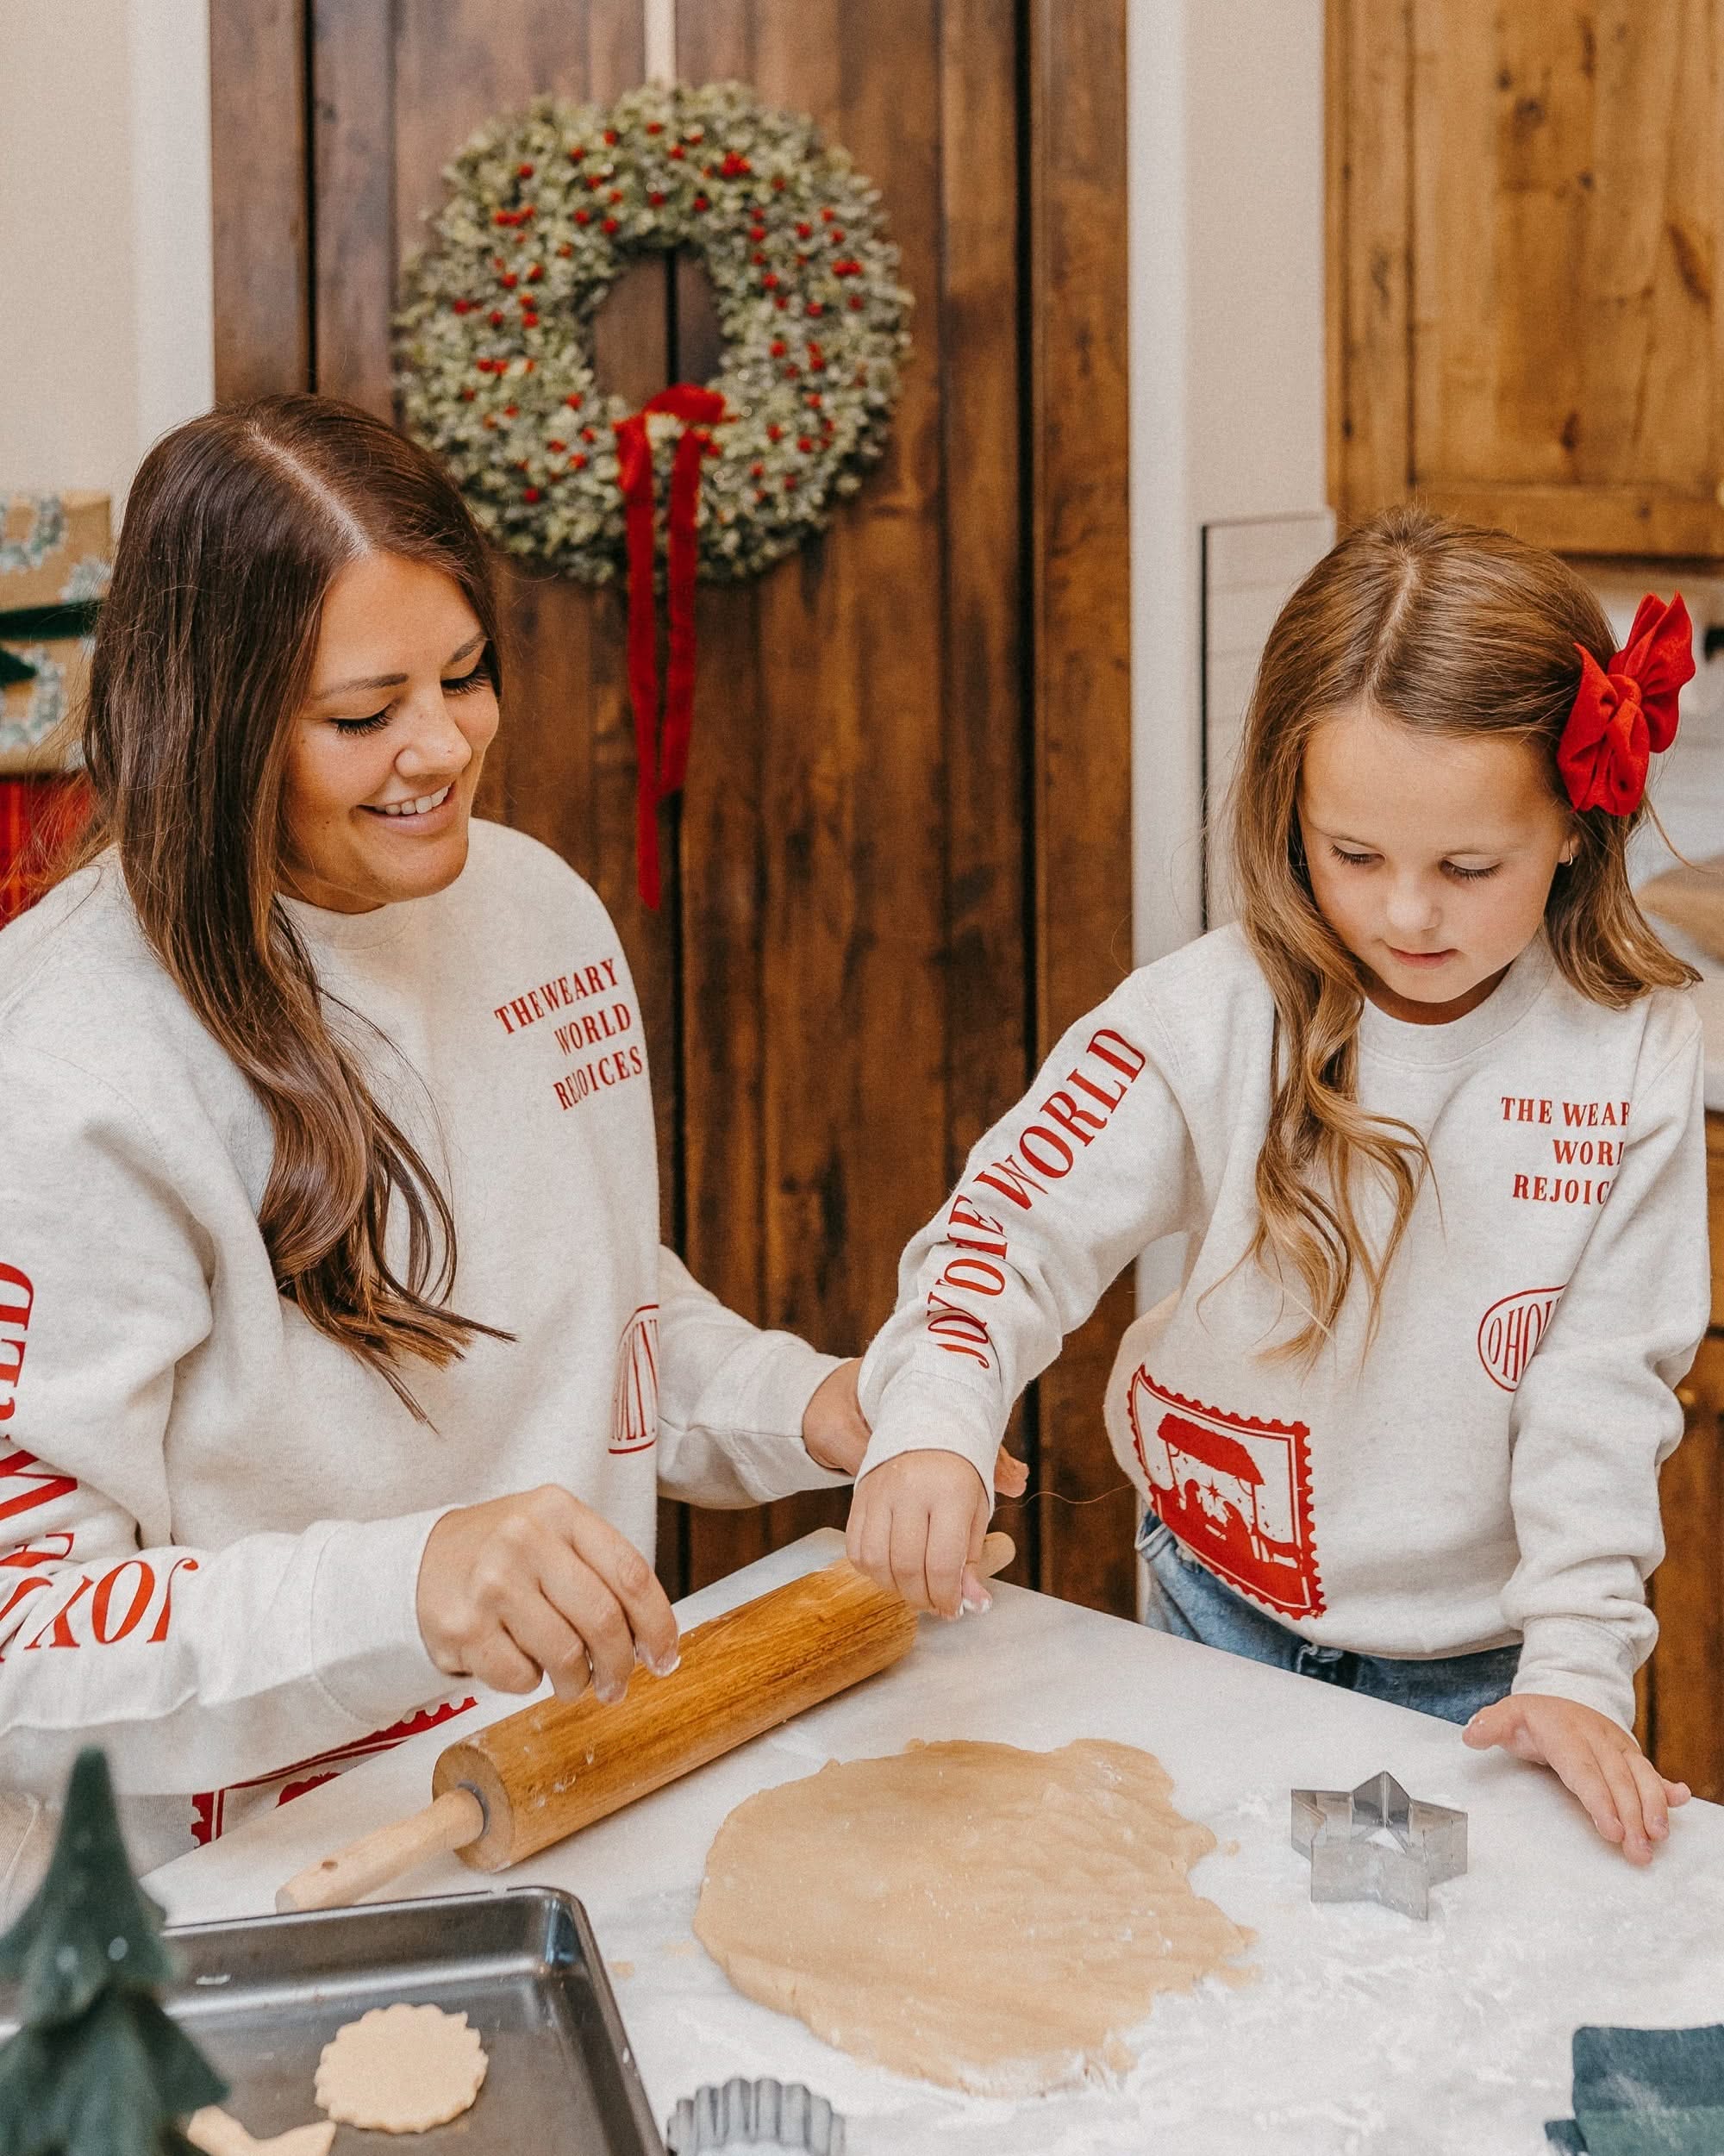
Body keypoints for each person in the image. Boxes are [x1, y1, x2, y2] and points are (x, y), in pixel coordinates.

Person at [0, 393, 1021, 1903]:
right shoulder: (69, 1066)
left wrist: (806, 1405)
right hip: (238, 1885)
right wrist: (408, 1582)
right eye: (364, 714)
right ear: (207, 723)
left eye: (467, 677)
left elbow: (588, 1307)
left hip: (563, 1781)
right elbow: (26, 1641)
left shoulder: (538, 911)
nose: (444, 748)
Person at [846, 506, 1707, 1865]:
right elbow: (1008, 1221)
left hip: (1488, 1671)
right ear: (1285, 810)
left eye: (1467, 868)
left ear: (1575, 829)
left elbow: (1601, 1393)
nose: (1407, 916)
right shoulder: (1207, 1012)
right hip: (1215, 1609)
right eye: (1352, 855)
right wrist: (937, 1411)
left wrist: (1581, 1668)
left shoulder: (1634, 1054)